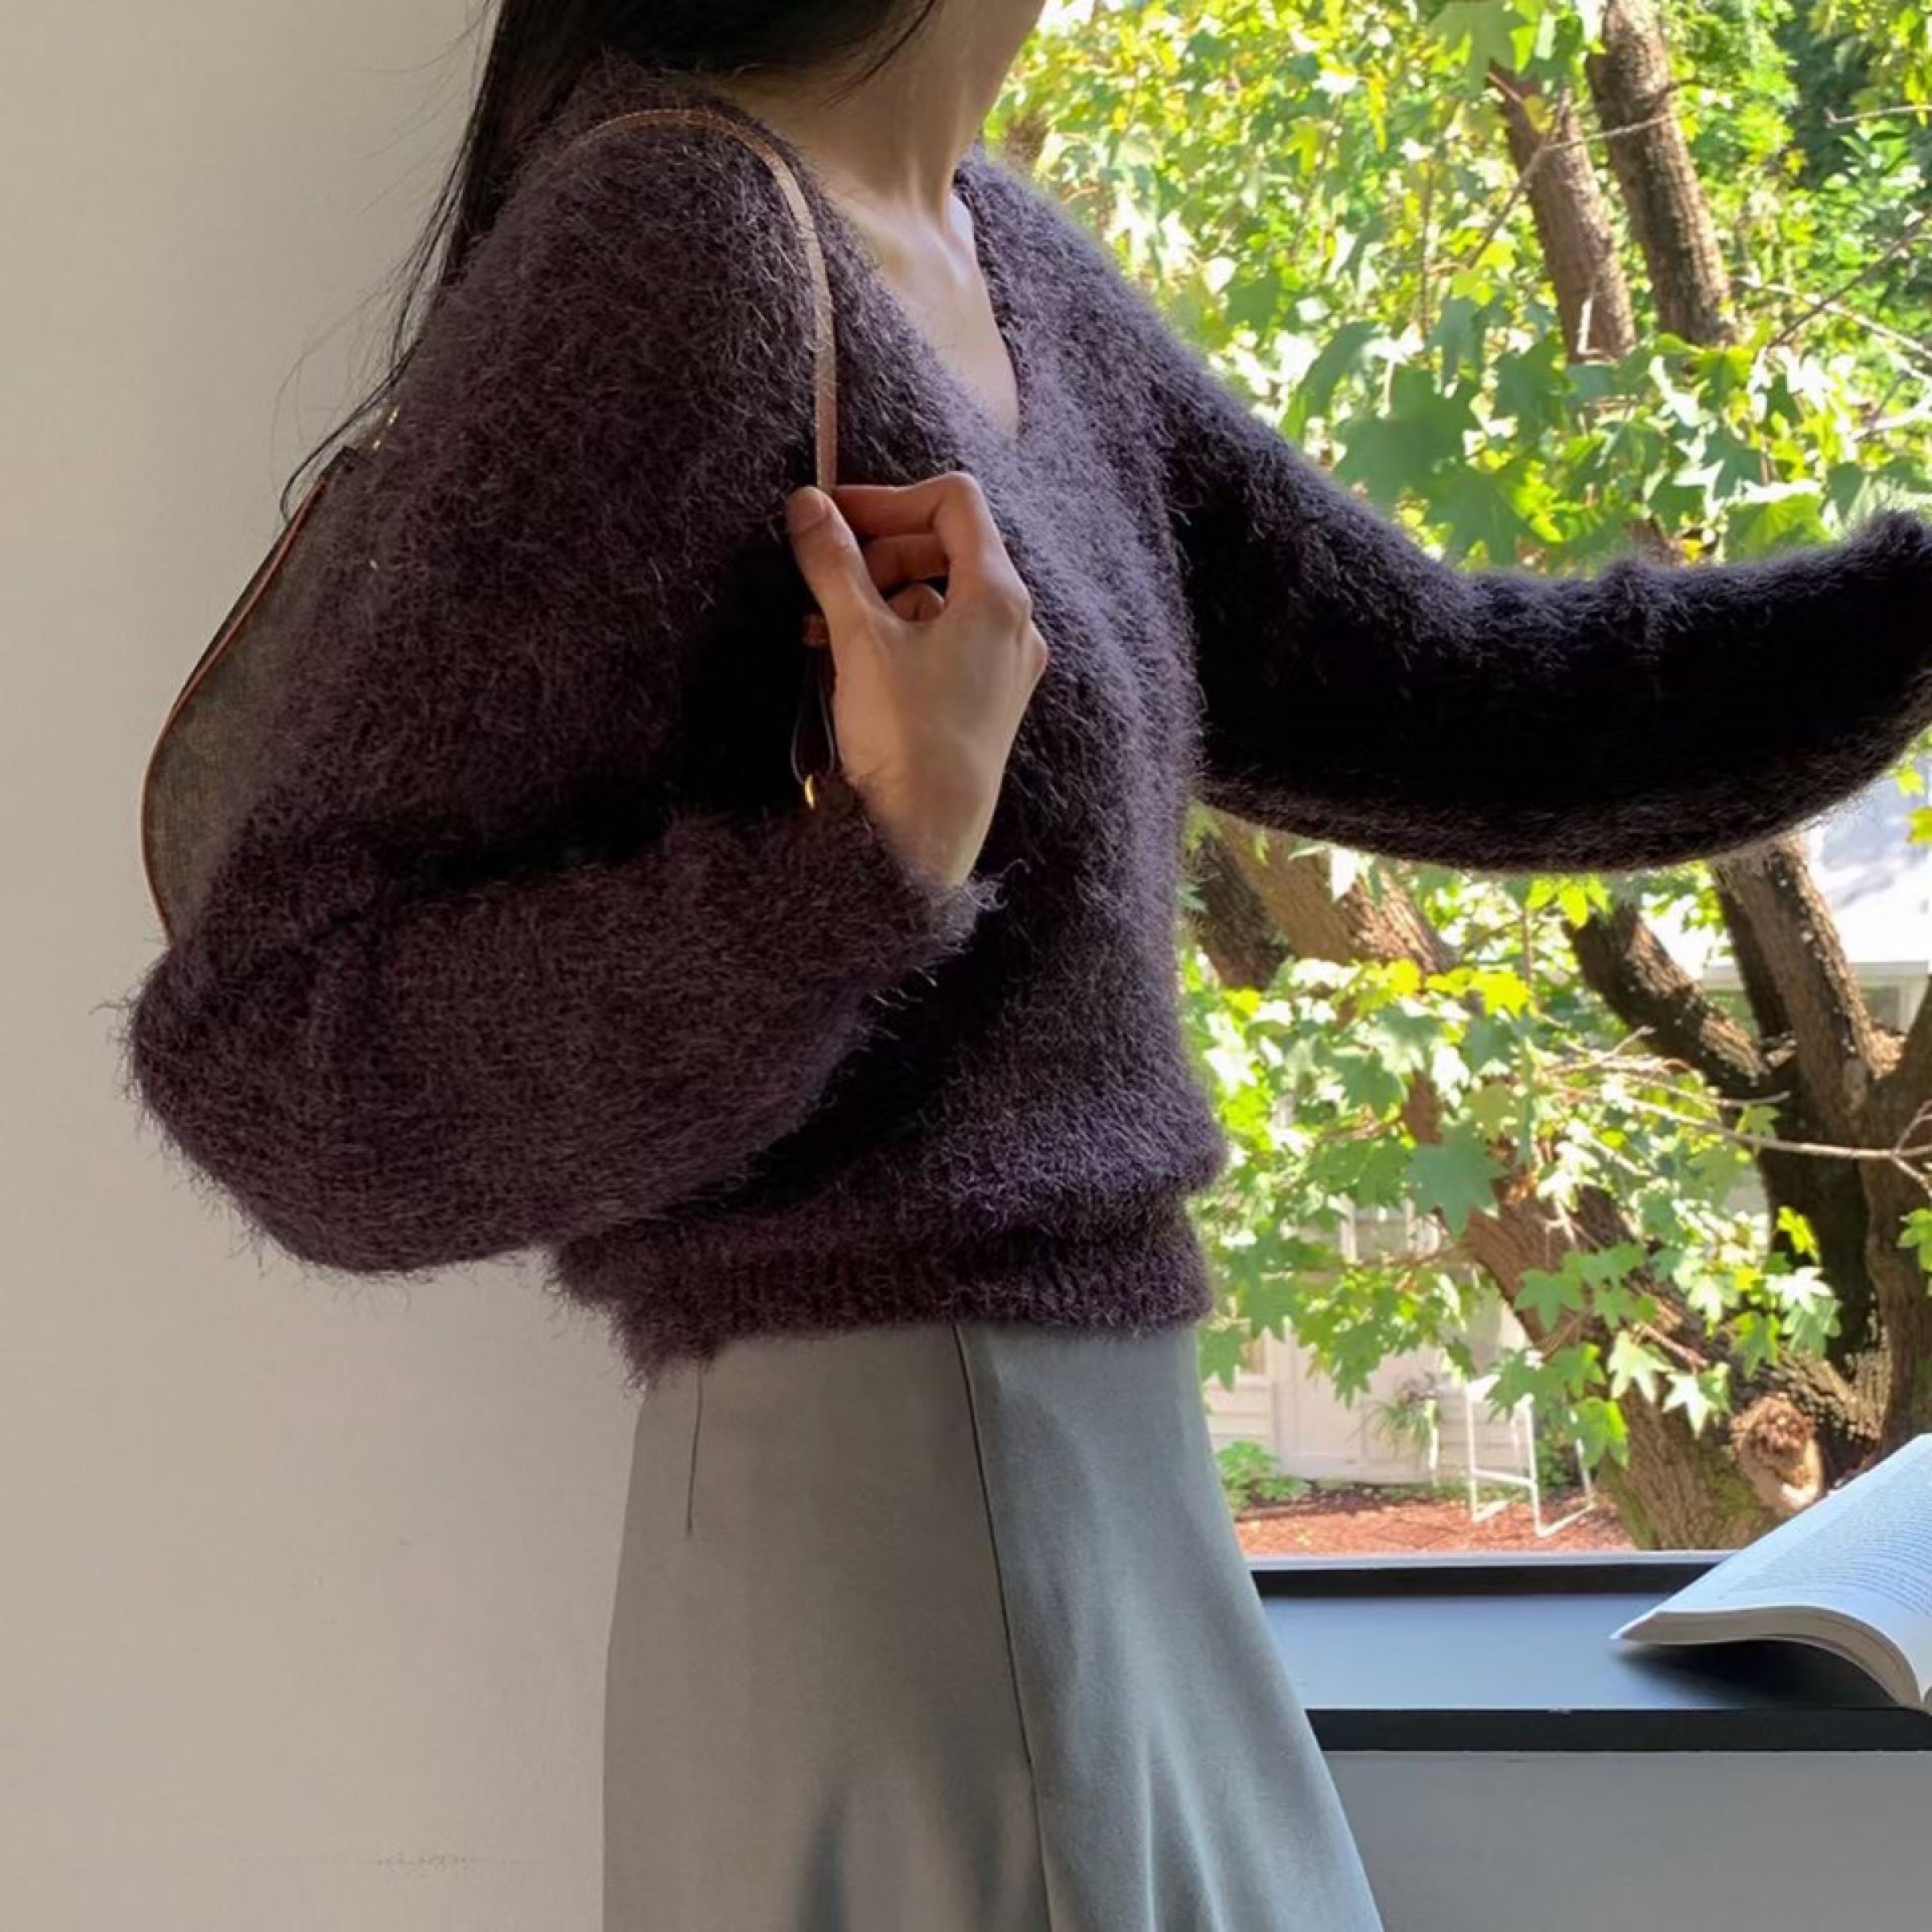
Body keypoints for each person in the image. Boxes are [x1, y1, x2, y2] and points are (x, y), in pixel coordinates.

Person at [114, 2, 1932, 1928]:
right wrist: (877, 859)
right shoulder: (674, 251)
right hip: (905, 1546)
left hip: (1103, 1507)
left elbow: (1477, 703)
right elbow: (285, 1057)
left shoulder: (1008, 261)